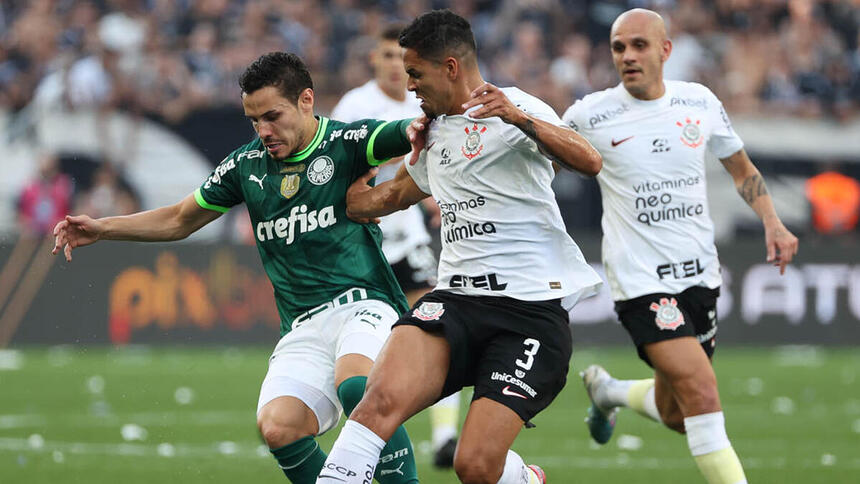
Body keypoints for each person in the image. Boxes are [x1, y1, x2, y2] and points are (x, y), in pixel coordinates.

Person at [51, 52, 421, 484]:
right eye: (253, 120)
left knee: (358, 386)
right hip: (302, 324)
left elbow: (413, 130)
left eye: (272, 116)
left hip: (365, 304)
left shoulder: (348, 142)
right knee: (279, 427)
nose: (264, 130)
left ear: (306, 100)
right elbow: (178, 219)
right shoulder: (246, 166)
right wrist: (103, 228)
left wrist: (425, 133)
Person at [316, 10, 603, 484]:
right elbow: (376, 203)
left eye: (416, 73)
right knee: (376, 403)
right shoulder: (431, 132)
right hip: (455, 302)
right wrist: (353, 172)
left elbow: (589, 161)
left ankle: (526, 479)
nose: (409, 86)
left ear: (450, 67)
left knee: (473, 467)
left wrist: (517, 116)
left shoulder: (516, 107)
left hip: (528, 313)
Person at [561, 9, 799, 484]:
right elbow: (537, 165)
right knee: (704, 396)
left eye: (639, 45)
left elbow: (742, 169)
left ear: (665, 50)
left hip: (700, 275)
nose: (627, 56)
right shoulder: (589, 114)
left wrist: (773, 222)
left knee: (677, 413)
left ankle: (608, 392)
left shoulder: (700, 103)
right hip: (640, 281)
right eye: (618, 47)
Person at [331, 23, 460, 469]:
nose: (394, 67)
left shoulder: (423, 98)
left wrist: (440, 197)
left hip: (412, 238)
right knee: (368, 346)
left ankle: (446, 437)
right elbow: (336, 167)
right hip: (368, 241)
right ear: (373, 60)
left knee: (437, 325)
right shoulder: (355, 105)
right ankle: (358, 434)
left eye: (400, 59)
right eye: (386, 57)